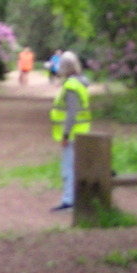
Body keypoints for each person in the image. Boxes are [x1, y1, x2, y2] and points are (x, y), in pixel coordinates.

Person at [49, 50, 91, 212]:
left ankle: (69, 201)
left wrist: (65, 135)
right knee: (74, 166)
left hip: (73, 133)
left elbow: (71, 114)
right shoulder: (80, 83)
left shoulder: (71, 86)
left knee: (68, 168)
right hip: (81, 131)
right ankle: (72, 199)